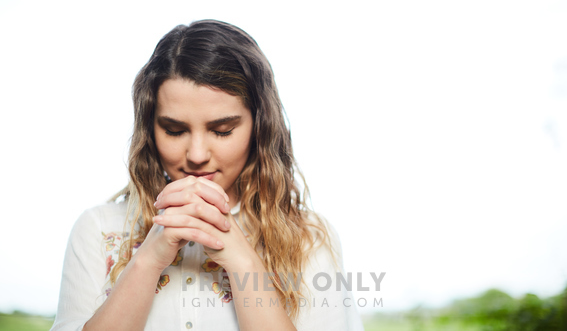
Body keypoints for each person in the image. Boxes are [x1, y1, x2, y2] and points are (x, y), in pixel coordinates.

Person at [51, 20, 363, 330]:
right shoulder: (98, 229)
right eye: (174, 130)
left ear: (260, 126)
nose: (197, 155)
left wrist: (243, 262)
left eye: (222, 130)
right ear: (150, 128)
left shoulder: (308, 238)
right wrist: (148, 261)